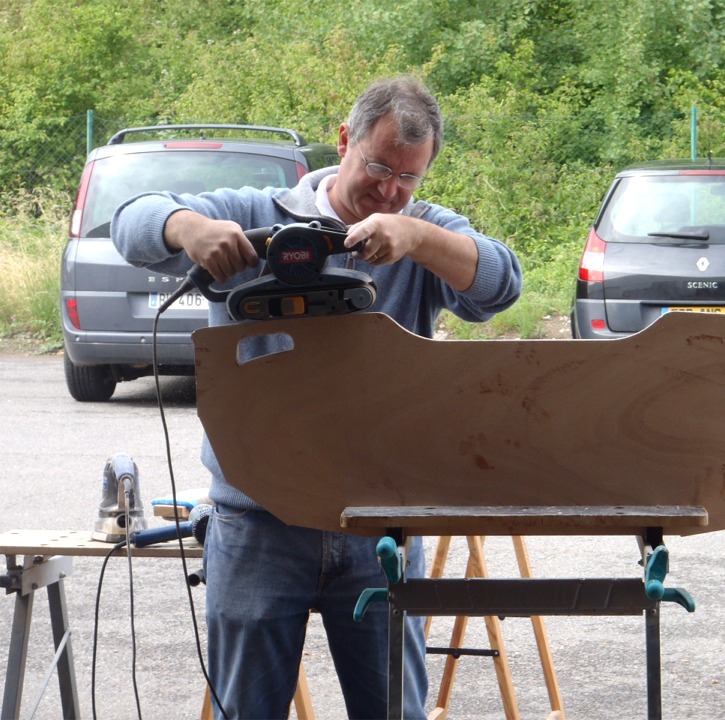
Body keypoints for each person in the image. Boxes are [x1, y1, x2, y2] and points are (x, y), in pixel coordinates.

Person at [112, 75, 523, 719]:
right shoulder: (256, 213)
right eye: (379, 167)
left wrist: (415, 236)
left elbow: (501, 286)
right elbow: (130, 221)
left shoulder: (422, 231)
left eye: (408, 178)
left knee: (396, 712)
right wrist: (187, 227)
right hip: (257, 521)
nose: (389, 190)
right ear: (344, 141)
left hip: (380, 523)